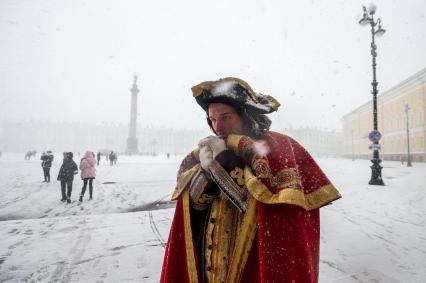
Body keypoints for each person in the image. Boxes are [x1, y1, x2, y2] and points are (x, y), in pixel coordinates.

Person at [160, 77, 341, 283]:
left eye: (225, 117)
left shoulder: (276, 147)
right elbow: (195, 209)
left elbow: (267, 209)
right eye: (212, 119)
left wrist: (225, 164)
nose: (218, 126)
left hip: (252, 267)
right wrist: (206, 172)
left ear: (244, 116)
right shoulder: (204, 151)